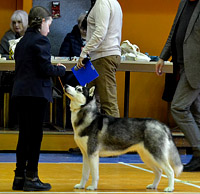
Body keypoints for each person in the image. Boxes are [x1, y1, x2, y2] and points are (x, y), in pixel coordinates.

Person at [11, 6, 66, 191]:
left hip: (20, 93)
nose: (49, 29)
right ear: (42, 22)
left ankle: (19, 176)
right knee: (35, 137)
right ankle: (32, 177)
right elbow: (45, 69)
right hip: (36, 94)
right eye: (48, 24)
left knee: (24, 136)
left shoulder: (22, 41)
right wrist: (60, 69)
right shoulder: (41, 41)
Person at [156, 0, 200, 172]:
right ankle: (198, 158)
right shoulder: (183, 3)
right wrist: (162, 57)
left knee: (178, 107)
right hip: (181, 65)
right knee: (196, 112)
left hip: (196, 67)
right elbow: (174, 31)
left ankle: (198, 149)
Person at [76, 0, 123, 118]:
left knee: (108, 104)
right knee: (91, 102)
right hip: (101, 56)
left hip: (103, 56)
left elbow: (100, 32)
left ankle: (114, 136)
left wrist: (84, 52)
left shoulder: (102, 3)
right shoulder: (114, 3)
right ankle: (97, 135)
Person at [0, 10, 28, 128]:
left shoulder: (30, 37)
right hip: (10, 74)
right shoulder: (7, 37)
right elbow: (1, 55)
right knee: (16, 85)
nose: (16, 25)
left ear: (25, 23)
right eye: (14, 22)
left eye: (19, 22)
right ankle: (14, 122)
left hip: (28, 74)